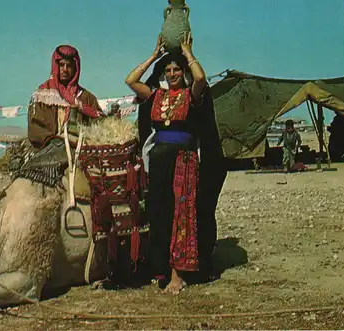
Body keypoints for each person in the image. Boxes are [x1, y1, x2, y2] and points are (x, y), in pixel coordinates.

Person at [125, 33, 227, 294]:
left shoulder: (191, 96)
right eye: (168, 70)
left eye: (176, 69)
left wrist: (187, 52)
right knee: (160, 214)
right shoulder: (157, 96)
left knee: (182, 215)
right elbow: (130, 80)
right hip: (159, 162)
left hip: (184, 161)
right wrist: (153, 55)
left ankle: (178, 273)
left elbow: (201, 78)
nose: (171, 73)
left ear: (183, 72)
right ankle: (162, 267)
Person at [19, 45, 104, 187]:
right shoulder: (42, 95)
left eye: (69, 65)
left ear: (76, 68)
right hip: (48, 150)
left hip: (80, 152)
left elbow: (99, 126)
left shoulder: (87, 98)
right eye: (61, 65)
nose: (65, 69)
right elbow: (36, 131)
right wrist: (59, 141)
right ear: (55, 65)